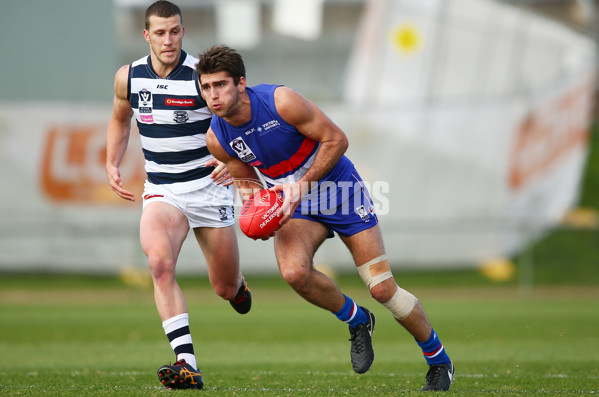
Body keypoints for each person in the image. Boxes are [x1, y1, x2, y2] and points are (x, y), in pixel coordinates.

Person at [197, 44, 455, 392]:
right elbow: (248, 182)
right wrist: (258, 212)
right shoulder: (217, 137)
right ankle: (357, 320)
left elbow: (337, 139)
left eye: (220, 85)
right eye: (206, 87)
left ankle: (439, 360)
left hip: (340, 191)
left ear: (241, 84)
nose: (213, 95)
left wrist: (300, 187)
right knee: (293, 272)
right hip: (297, 205)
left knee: (382, 288)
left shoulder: (281, 102)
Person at [105, 3, 252, 390]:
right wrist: (112, 162)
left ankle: (238, 286)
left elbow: (241, 118)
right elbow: (120, 119)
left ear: (183, 31)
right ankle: (186, 362)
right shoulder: (129, 77)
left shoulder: (202, 78)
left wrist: (234, 161)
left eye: (174, 32)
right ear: (146, 36)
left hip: (208, 189)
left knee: (223, 287)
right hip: (162, 190)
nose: (168, 40)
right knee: (158, 264)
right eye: (160, 33)